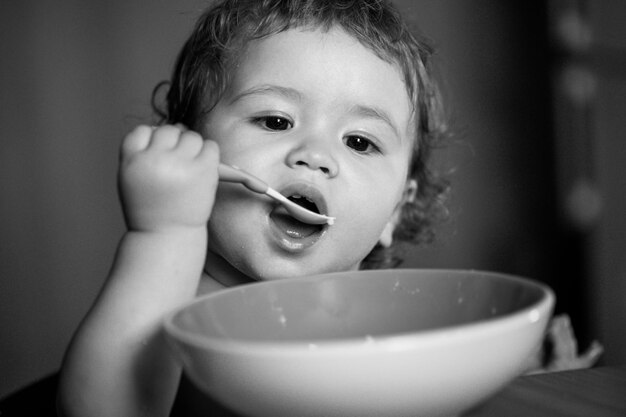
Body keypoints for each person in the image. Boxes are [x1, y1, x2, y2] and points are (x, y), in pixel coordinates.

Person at [56, 1, 601, 416]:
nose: (315, 156)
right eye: (275, 120)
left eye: (360, 142)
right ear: (194, 150)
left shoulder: (394, 319)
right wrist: (163, 233)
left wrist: (513, 380)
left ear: (394, 213)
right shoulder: (169, 293)